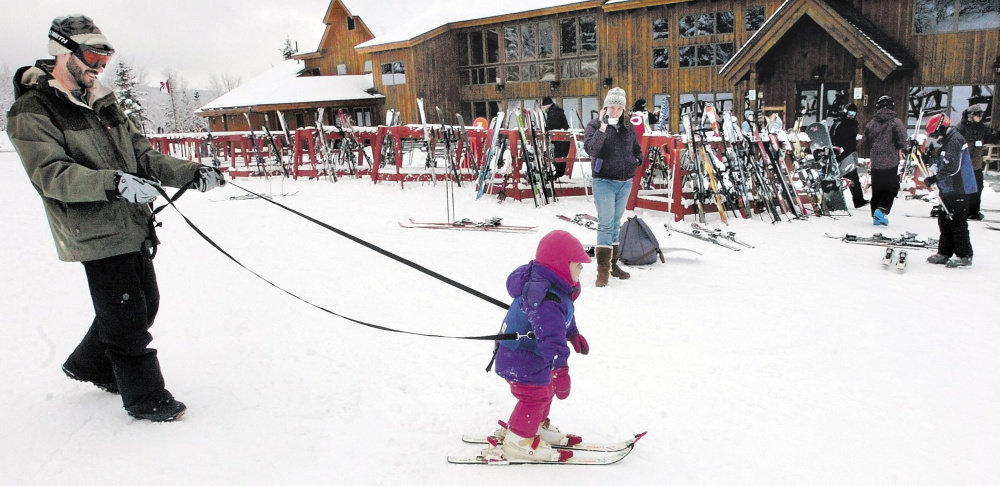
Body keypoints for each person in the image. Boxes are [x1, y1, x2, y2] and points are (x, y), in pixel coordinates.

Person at [7, 15, 226, 422]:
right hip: (91, 227)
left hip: (131, 220)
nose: (100, 65)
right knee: (126, 318)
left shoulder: (103, 102)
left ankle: (89, 364)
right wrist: (115, 184)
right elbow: (50, 174)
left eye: (106, 57)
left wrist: (191, 173)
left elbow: (141, 154)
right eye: (93, 54)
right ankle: (146, 398)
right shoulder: (33, 110)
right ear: (63, 51)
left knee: (143, 305)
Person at [493, 230, 591, 462]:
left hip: (529, 356)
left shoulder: (555, 288)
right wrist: (561, 368)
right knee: (534, 397)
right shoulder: (544, 296)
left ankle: (533, 425)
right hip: (521, 358)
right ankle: (518, 439)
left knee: (544, 391)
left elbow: (561, 317)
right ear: (561, 264)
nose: (582, 268)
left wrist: (573, 333)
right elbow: (550, 335)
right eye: (578, 263)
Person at [584, 87, 642, 287]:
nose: (615, 111)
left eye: (619, 108)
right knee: (606, 224)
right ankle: (602, 271)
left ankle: (613, 265)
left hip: (625, 181)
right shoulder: (594, 125)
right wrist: (603, 126)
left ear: (624, 109)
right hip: (604, 181)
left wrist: (637, 159)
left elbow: (636, 147)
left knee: (616, 223)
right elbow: (591, 149)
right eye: (612, 107)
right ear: (605, 107)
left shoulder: (628, 127)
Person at [923, 114, 976, 267]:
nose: (935, 136)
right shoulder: (948, 140)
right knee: (944, 220)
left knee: (957, 221)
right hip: (948, 188)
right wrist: (929, 160)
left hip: (958, 188)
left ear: (941, 128)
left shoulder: (954, 141)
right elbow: (943, 163)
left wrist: (935, 178)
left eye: (935, 133)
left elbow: (952, 166)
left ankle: (964, 254)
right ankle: (945, 252)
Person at [862, 95, 908, 225]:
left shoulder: (871, 124)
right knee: (891, 188)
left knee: (877, 189)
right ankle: (881, 210)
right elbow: (902, 142)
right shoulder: (896, 122)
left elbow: (864, 142)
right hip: (890, 161)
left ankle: (876, 214)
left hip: (876, 162)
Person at [955, 104, 996, 220]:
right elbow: (954, 142)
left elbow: (991, 136)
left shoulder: (982, 128)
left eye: (981, 114)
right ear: (971, 115)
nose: (980, 116)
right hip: (964, 165)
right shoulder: (961, 127)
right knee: (965, 188)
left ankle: (974, 211)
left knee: (978, 187)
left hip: (977, 165)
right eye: (978, 114)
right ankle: (963, 210)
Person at [830, 103, 868, 208]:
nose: (851, 115)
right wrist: (837, 153)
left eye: (853, 113)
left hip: (849, 153)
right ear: (845, 111)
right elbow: (832, 138)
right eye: (849, 112)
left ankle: (858, 200)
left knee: (853, 177)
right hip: (840, 153)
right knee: (839, 178)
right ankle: (833, 200)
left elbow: (851, 140)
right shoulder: (839, 123)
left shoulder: (853, 124)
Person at [541, 97, 570, 179]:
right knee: (559, 157)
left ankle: (559, 174)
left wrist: (545, 128)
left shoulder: (554, 113)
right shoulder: (555, 111)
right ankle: (559, 173)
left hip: (561, 140)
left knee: (559, 157)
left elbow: (551, 126)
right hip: (562, 140)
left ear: (546, 105)